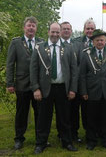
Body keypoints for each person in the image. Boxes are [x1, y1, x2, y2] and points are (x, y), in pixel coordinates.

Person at [30, 22, 78, 154]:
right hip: (45, 89)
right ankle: (41, 143)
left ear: (61, 32)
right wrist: (35, 88)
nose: (55, 34)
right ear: (48, 31)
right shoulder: (39, 48)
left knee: (64, 118)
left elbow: (74, 71)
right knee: (43, 118)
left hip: (63, 88)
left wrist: (73, 89)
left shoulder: (68, 48)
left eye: (58, 32)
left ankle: (66, 142)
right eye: (53, 31)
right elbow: (33, 70)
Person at [6, 16, 44, 150]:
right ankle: (19, 139)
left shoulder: (41, 42)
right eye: (29, 25)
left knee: (40, 113)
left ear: (36, 29)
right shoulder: (16, 43)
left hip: (38, 86)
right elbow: (10, 64)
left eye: (33, 26)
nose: (31, 28)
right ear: (24, 27)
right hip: (22, 84)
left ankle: (40, 139)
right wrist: (9, 83)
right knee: (21, 113)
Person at [80, 29, 106, 151]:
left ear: (105, 41)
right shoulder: (86, 53)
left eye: (102, 40)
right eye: (97, 40)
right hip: (92, 91)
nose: (100, 42)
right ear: (93, 41)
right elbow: (82, 74)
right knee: (91, 118)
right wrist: (84, 91)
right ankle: (91, 141)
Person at [59, 21, 82, 143]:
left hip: (74, 83)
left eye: (68, 29)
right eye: (64, 29)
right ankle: (61, 133)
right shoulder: (56, 44)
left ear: (71, 31)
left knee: (74, 110)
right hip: (61, 84)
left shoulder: (77, 45)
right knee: (62, 111)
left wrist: (74, 81)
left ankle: (74, 133)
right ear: (60, 30)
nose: (66, 31)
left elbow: (79, 64)